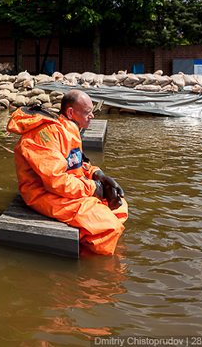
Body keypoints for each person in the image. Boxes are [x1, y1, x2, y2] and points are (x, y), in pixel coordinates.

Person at [7, 89, 128, 255]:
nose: (92, 116)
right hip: (42, 193)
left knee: (118, 205)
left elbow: (75, 163)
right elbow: (55, 181)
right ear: (71, 112)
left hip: (67, 187)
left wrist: (96, 174)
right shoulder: (44, 135)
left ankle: (90, 244)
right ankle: (93, 268)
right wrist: (93, 188)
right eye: (88, 112)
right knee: (108, 226)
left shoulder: (68, 129)